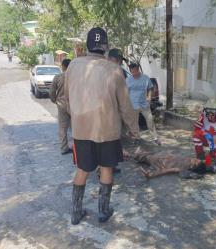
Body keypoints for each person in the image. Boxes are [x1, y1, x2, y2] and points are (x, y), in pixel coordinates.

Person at [64, 27, 139, 225]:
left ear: (87, 45)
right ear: (105, 47)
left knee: (82, 169)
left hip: (81, 130)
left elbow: (66, 97)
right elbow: (125, 105)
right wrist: (134, 129)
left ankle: (75, 213)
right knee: (106, 168)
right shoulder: (114, 69)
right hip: (108, 131)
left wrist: (76, 116)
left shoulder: (72, 66)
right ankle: (103, 211)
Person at [126, 63, 161, 145]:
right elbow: (126, 92)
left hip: (144, 104)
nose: (135, 73)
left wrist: (149, 97)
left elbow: (150, 88)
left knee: (150, 121)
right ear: (130, 71)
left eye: (136, 70)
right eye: (133, 71)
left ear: (138, 69)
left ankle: (155, 138)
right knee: (135, 123)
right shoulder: (128, 80)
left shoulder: (145, 78)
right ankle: (137, 138)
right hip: (133, 105)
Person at [125, 148, 212, 179]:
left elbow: (165, 170)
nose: (195, 159)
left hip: (157, 161)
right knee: (146, 154)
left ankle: (133, 155)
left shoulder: (181, 168)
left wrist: (151, 175)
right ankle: (137, 153)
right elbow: (206, 162)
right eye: (197, 159)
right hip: (161, 155)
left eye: (196, 162)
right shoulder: (188, 159)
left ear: (193, 166)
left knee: (143, 156)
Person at [49, 59, 72, 155]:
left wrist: (55, 100)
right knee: (76, 126)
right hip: (74, 105)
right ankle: (79, 148)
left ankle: (64, 148)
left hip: (61, 105)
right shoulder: (76, 77)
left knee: (63, 127)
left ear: (63, 66)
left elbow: (52, 92)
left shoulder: (58, 77)